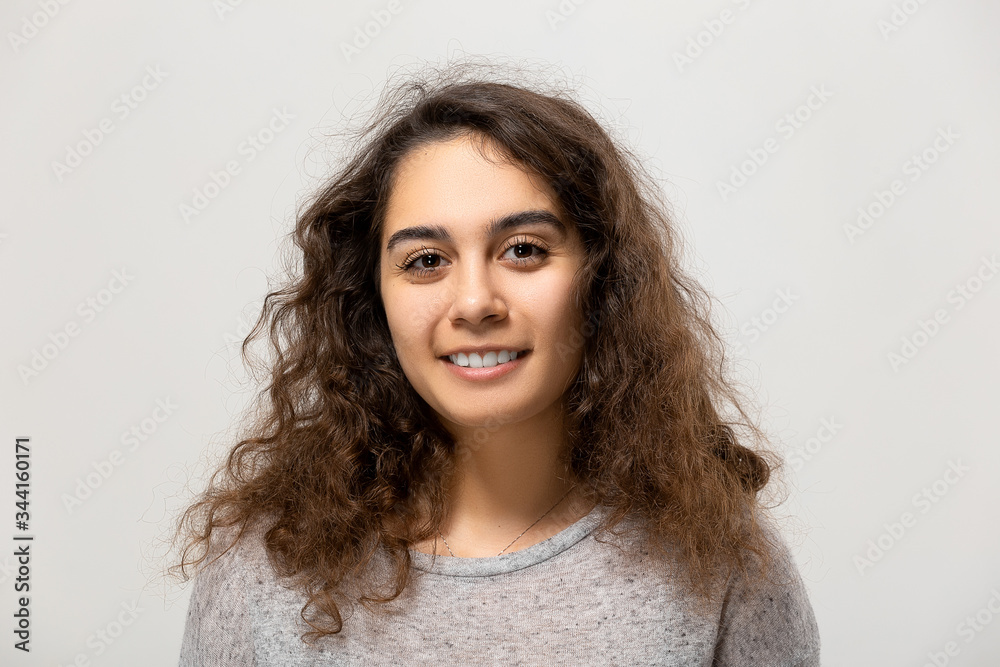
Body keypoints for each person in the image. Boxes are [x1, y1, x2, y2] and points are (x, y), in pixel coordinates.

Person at [173, 62, 821, 665]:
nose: (476, 301)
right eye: (426, 260)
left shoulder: (725, 563)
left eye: (523, 250)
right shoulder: (261, 569)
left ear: (600, 279)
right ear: (374, 299)